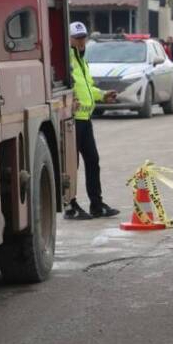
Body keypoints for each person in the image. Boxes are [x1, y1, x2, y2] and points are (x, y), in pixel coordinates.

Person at [66, 22, 122, 220]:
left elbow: (87, 88)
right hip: (72, 121)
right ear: (70, 38)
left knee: (92, 161)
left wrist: (103, 95)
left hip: (85, 120)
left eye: (83, 38)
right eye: (77, 38)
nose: (82, 41)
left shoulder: (82, 60)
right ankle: (70, 206)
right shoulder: (67, 60)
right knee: (72, 166)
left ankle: (97, 205)